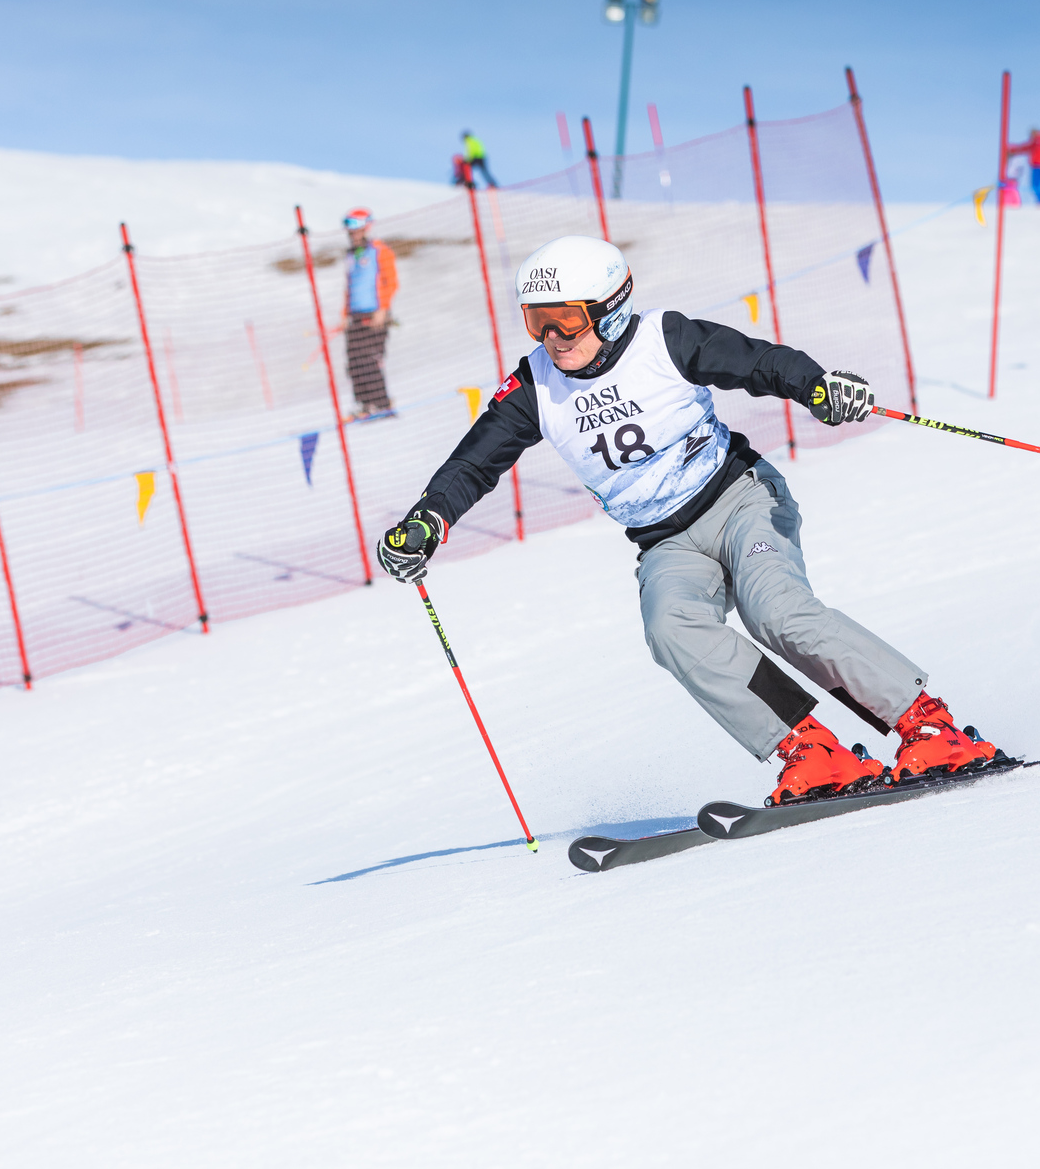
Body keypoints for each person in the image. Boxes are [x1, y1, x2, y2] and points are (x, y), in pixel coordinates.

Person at [375, 236, 1001, 805]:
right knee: (670, 629)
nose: (553, 338)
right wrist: (428, 520)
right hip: (666, 543)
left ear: (610, 308)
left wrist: (816, 386)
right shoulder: (536, 387)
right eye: (537, 323)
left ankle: (928, 724)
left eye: (565, 320)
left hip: (741, 501)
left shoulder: (662, 340)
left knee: (775, 611)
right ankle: (812, 751)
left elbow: (753, 361)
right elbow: (474, 462)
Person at [340, 208, 398, 419]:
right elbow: (349, 287)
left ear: (366, 226)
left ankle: (381, 405)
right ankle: (364, 404)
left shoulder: (379, 250)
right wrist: (345, 314)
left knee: (369, 359)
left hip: (375, 314)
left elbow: (391, 281)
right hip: (355, 315)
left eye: (356, 226)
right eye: (349, 227)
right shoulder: (351, 254)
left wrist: (383, 309)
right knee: (354, 361)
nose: (351, 232)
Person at [1007, 127, 1040, 205]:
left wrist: (1014, 149)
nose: (1031, 137)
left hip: (1039, 165)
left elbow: (1028, 147)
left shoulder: (1039, 139)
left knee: (1036, 185)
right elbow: (1029, 147)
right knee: (1036, 186)